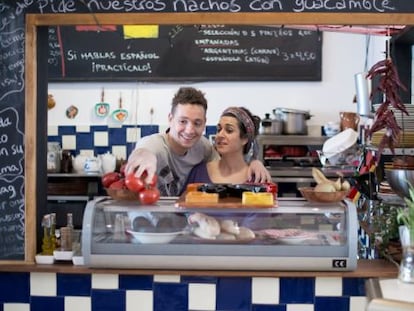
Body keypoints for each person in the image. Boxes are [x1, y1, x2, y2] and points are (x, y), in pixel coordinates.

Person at [125, 87, 271, 196]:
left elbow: (230, 162)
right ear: (170, 119)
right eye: (183, 121)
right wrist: (143, 154)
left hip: (178, 226)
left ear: (204, 123)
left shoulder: (203, 147)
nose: (189, 130)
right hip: (144, 222)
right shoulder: (155, 145)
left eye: (197, 123)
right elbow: (144, 150)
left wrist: (254, 161)